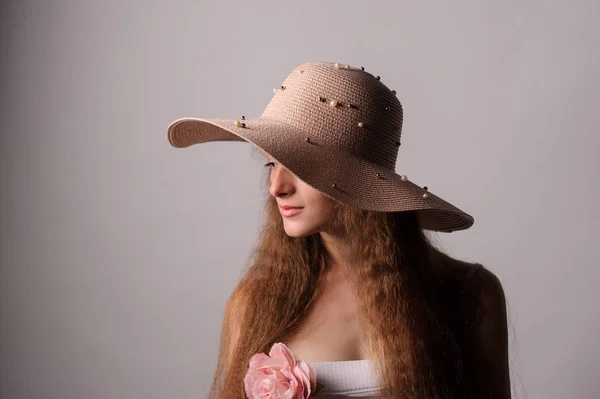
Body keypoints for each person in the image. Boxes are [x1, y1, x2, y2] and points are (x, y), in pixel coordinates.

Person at [167, 61, 510, 398]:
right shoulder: (256, 302)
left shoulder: (470, 293)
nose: (277, 187)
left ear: (358, 182)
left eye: (301, 167)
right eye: (272, 164)